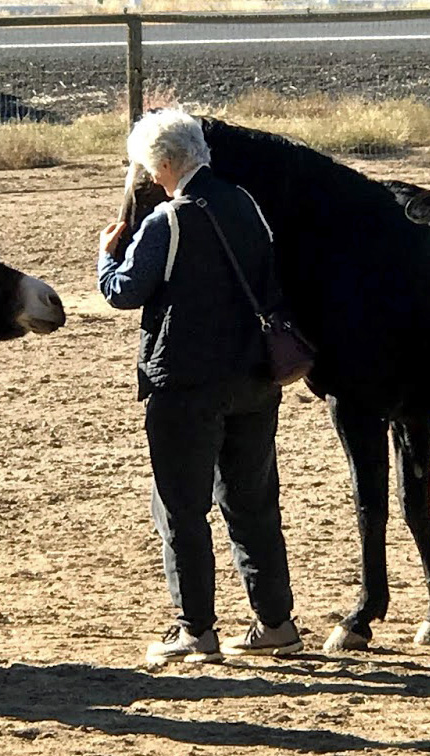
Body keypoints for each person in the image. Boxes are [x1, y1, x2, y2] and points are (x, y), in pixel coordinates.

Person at [98, 109, 302, 665]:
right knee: (253, 503)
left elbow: (122, 291)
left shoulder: (167, 220)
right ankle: (276, 622)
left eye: (148, 166)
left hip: (186, 384)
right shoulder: (247, 204)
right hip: (254, 377)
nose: (148, 176)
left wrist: (106, 255)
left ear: (165, 164)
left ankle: (196, 630)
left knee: (180, 508)